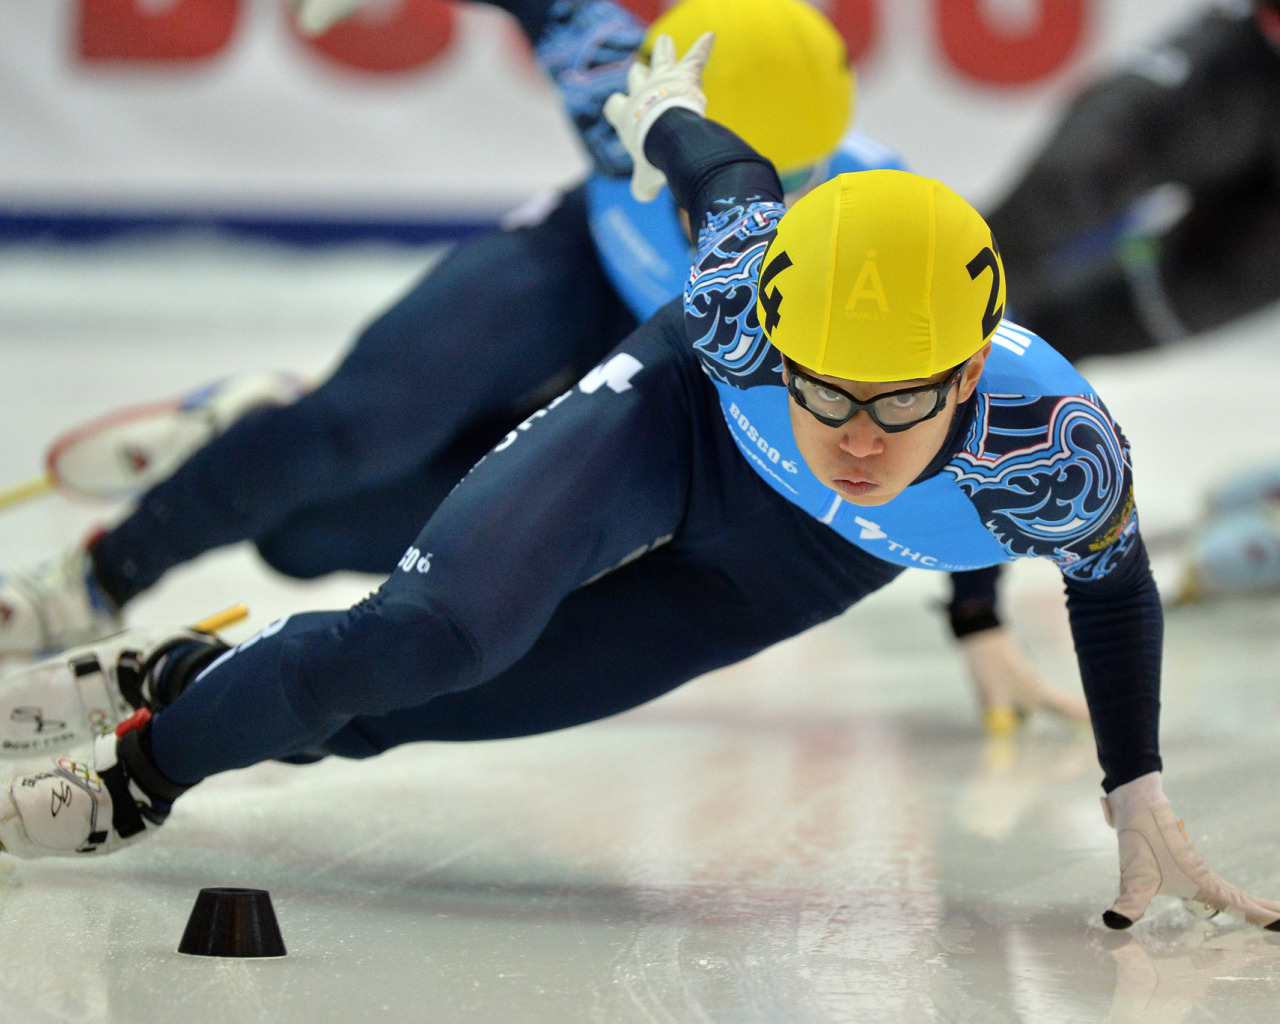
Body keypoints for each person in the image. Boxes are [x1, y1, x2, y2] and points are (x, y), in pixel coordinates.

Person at [0, 27, 1273, 933]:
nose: (856, 438)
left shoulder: (1055, 444)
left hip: (790, 571)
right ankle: (138, 775)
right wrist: (654, 102)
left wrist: (1134, 783)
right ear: (775, 333)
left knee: (403, 715)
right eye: (821, 388)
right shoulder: (734, 305)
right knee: (435, 634)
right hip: (675, 422)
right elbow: (724, 171)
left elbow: (1111, 594)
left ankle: (176, 679)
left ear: (967, 376)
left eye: (898, 404)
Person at [0, 0, 1084, 730]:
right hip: (571, 273)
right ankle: (100, 574)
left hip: (665, 369)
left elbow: (951, 417)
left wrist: (975, 613)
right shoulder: (623, 88)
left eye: (783, 175)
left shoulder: (869, 237)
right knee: (348, 429)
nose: (734, 193)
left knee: (307, 535)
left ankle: (247, 430)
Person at [983, 0, 1280, 600]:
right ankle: (890, 356)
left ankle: (961, 405)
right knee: (1055, 199)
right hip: (1248, 61)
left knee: (1127, 311)